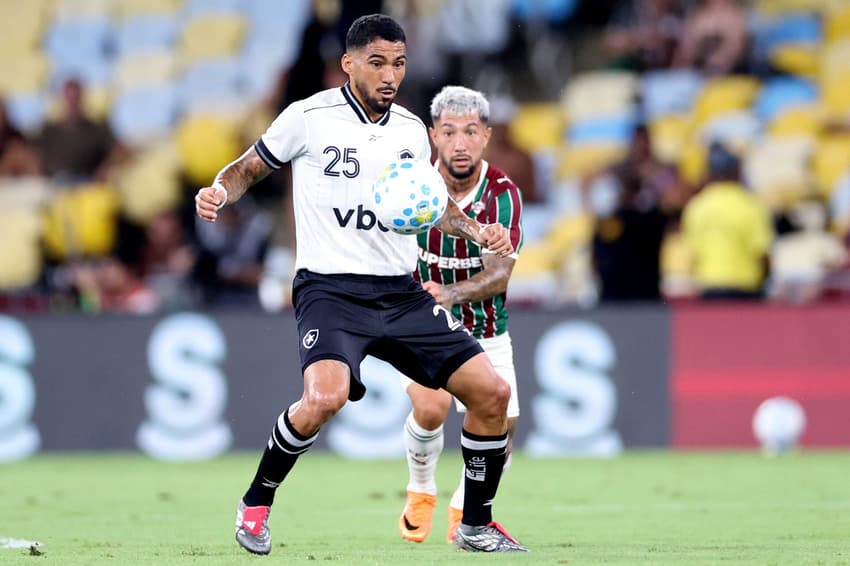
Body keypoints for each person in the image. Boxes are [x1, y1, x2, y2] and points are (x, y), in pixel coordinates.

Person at [194, 14, 528, 555]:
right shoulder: (308, 117)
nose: (389, 75)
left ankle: (475, 525)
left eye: (398, 64)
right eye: (377, 63)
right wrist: (218, 190)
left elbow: (430, 205)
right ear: (348, 63)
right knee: (323, 399)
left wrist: (475, 230)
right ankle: (255, 503)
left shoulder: (410, 130)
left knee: (492, 394)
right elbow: (248, 168)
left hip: (400, 291)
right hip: (330, 290)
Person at [394, 86, 524, 546]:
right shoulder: (412, 186)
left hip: (486, 328)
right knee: (431, 406)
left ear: (486, 135)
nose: (460, 143)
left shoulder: (502, 194)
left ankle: (463, 510)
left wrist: (449, 293)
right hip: (424, 323)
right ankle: (421, 489)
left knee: (502, 433)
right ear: (433, 136)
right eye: (449, 132)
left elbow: (500, 274)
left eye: (470, 131)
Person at [681, 142, 773, 299]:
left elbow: (692, 255)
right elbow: (762, 254)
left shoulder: (696, 206)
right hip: (746, 289)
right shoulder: (751, 205)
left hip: (709, 288)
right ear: (737, 173)